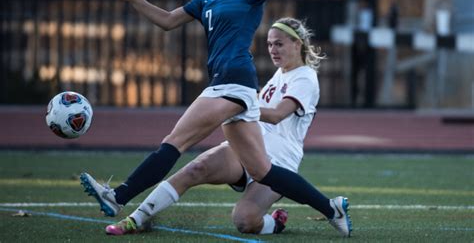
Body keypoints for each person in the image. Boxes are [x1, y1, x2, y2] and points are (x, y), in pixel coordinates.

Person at [80, 0, 352, 238]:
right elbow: (168, 21)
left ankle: (118, 197)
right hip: (231, 87)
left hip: (233, 84)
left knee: (176, 141)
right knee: (263, 171)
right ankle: (332, 209)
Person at [103, 17, 351, 237]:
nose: (272, 49)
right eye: (270, 44)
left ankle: (274, 223)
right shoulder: (279, 73)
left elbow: (276, 116)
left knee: (244, 221)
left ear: (297, 44)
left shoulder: (305, 77)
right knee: (195, 169)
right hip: (248, 147)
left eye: (279, 44)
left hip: (280, 160)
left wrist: (235, 106)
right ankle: (135, 219)